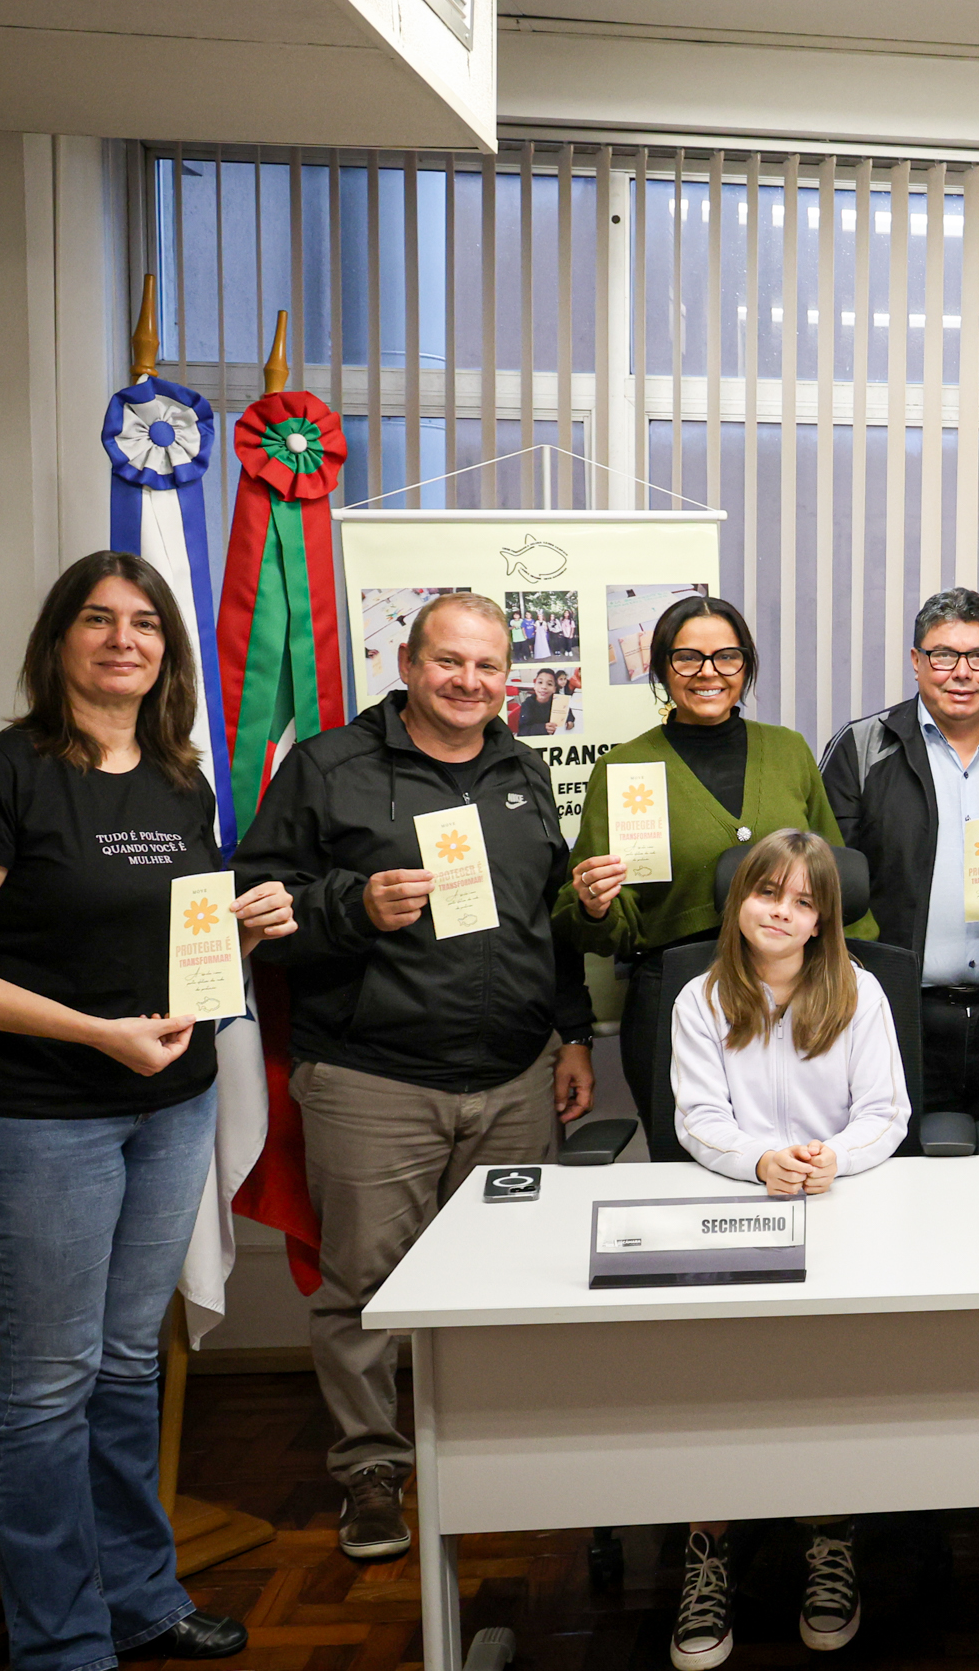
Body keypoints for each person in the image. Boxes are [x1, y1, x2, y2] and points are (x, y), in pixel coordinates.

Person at [0, 553, 294, 1670]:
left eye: (146, 623)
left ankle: (140, 1598)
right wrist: (94, 1031)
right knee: (51, 1382)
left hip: (170, 1107)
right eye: (99, 619)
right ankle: (62, 1641)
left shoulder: (179, 782)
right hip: (37, 1120)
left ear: (168, 649)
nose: (125, 640)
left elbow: (163, 944)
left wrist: (241, 931)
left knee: (127, 1361)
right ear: (59, 639)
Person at [237, 589, 597, 1563]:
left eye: (488, 666)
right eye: (449, 661)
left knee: (512, 1280)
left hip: (514, 1080)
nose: (469, 682)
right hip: (374, 1081)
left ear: (509, 678)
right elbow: (253, 909)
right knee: (362, 1289)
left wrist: (572, 1033)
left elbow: (543, 920)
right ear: (405, 662)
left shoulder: (522, 768)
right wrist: (353, 907)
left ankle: (495, 1450)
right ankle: (370, 1470)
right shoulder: (329, 768)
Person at [665, 832, 908, 1667]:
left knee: (826, 1378)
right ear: (739, 900)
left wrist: (829, 1159)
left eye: (803, 902)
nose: (781, 912)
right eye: (767, 893)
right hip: (733, 1209)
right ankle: (708, 1545)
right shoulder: (699, 999)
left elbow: (885, 1114)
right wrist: (761, 1161)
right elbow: (700, 1120)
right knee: (712, 1382)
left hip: (836, 1205)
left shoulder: (860, 993)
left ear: (823, 921)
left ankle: (828, 1535)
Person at [564, 595, 868, 1159]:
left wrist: (857, 981)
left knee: (798, 1161)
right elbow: (601, 930)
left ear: (746, 665)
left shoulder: (788, 752)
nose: (709, 672)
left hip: (793, 996)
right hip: (672, 991)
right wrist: (593, 905)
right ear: (661, 668)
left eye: (727, 657)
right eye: (688, 658)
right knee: (687, 1166)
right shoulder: (624, 769)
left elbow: (835, 881)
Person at [820, 589, 979, 1119]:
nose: (962, 672)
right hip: (892, 1019)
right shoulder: (861, 748)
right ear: (916, 661)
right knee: (898, 1163)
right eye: (943, 655)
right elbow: (825, 882)